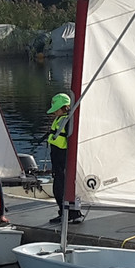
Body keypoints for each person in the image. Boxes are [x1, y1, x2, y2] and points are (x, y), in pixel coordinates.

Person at [45, 93, 84, 223]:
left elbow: (72, 141)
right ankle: (66, 213)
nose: (54, 112)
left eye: (57, 109)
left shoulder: (67, 121)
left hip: (63, 160)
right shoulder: (61, 119)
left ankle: (71, 213)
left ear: (65, 108)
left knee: (61, 188)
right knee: (58, 188)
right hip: (57, 159)